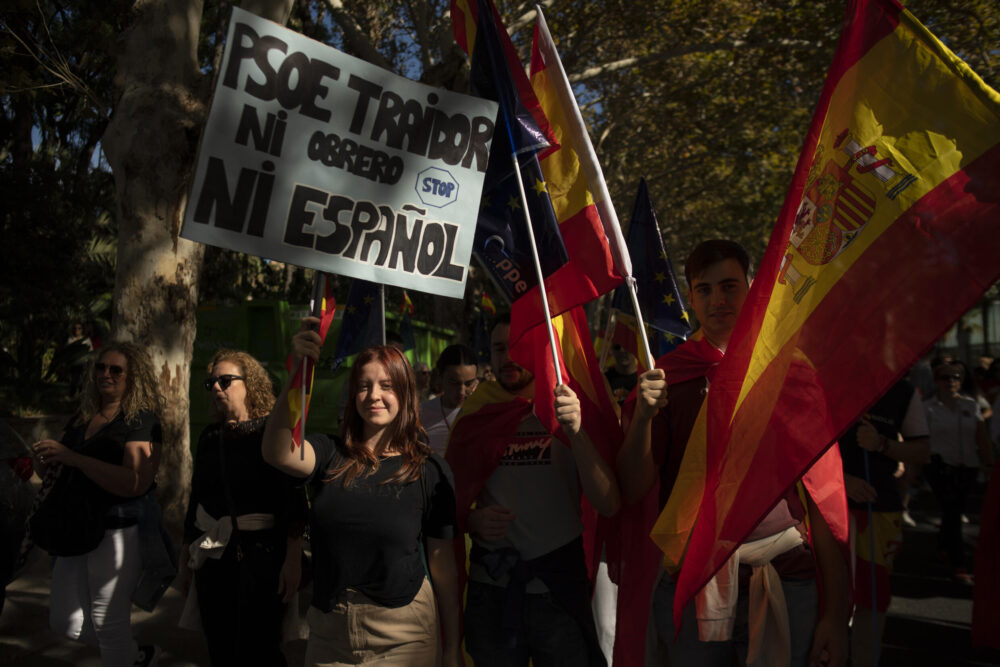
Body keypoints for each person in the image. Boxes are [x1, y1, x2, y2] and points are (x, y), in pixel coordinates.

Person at [617, 239, 849, 667]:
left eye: (729, 286)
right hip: (692, 582)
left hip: (786, 578)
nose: (717, 300)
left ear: (752, 286)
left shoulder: (790, 371)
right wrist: (644, 418)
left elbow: (823, 497)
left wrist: (835, 614)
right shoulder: (667, 378)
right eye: (704, 290)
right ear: (690, 298)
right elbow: (633, 489)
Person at [262, 318, 461, 666]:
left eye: (387, 385)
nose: (374, 396)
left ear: (405, 392)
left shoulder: (430, 471)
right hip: (328, 634)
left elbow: (443, 569)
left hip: (404, 639)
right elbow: (277, 452)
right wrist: (297, 374)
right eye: (364, 386)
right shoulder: (328, 453)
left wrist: (452, 647)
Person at [446, 316, 621, 667]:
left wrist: (576, 430)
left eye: (519, 346)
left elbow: (610, 502)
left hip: (559, 592)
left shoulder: (572, 403)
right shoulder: (476, 409)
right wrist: (473, 519)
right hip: (492, 591)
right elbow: (448, 501)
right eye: (499, 348)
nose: (508, 357)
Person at [29, 342, 164, 667]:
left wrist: (74, 458)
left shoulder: (142, 421)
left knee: (107, 620)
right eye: (101, 368)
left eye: (116, 370)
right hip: (73, 527)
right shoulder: (83, 417)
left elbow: (135, 482)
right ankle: (134, 656)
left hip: (116, 530)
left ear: (134, 377)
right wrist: (44, 460)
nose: (106, 375)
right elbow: (59, 468)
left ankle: (124, 654)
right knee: (65, 622)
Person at [177, 349, 307, 665]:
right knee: (220, 646)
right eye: (212, 384)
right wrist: (186, 554)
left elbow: (294, 502)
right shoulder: (209, 436)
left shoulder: (272, 435)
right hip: (214, 557)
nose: (218, 388)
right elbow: (197, 498)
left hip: (263, 558)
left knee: (260, 648)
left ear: (250, 383)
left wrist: (293, 560)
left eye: (226, 380)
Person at [839, 378, 929, 667]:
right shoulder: (827, 380)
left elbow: (921, 450)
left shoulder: (903, 391)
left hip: (877, 512)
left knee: (871, 600)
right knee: (829, 599)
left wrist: (882, 444)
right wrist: (841, 481)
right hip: (827, 507)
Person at [923, 362, 993, 583]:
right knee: (953, 512)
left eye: (955, 377)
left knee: (953, 510)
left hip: (967, 467)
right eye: (945, 377)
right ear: (936, 381)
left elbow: (981, 437)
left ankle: (943, 547)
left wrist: (989, 464)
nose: (951, 381)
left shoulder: (971, 405)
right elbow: (921, 440)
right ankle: (959, 562)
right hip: (939, 467)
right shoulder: (928, 408)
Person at [420, 344, 479, 456]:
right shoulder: (421, 414)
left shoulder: (483, 412)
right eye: (454, 383)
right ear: (440, 377)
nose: (462, 391)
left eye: (469, 384)